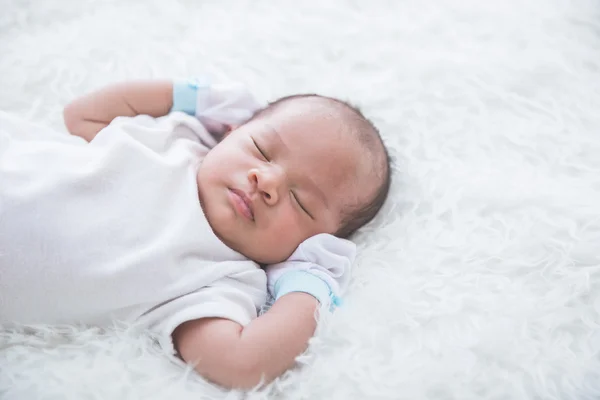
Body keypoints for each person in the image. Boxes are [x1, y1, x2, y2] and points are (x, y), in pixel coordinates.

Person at [0, 78, 391, 388]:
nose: (266, 180)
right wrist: (195, 97)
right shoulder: (177, 139)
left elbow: (243, 364)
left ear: (310, 245)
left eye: (301, 201)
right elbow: (81, 115)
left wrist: (310, 283)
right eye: (260, 148)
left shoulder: (221, 279)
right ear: (230, 132)